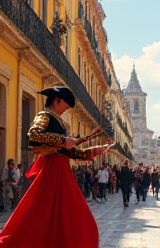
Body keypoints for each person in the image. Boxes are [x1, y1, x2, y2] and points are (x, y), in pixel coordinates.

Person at [0, 86, 101, 247]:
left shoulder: (58, 119)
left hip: (61, 170)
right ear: (57, 100)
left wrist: (94, 151)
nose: (68, 107)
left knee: (65, 215)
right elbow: (33, 136)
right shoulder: (44, 115)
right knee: (55, 213)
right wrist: (62, 141)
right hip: (53, 171)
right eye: (66, 103)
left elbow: (68, 152)